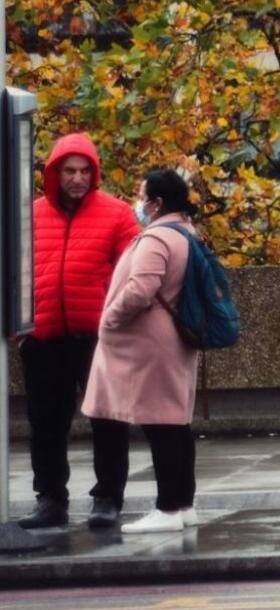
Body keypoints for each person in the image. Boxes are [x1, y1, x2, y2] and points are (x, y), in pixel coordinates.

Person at [13, 134, 139, 530]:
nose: (77, 178)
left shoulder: (117, 214)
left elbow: (134, 271)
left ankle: (107, 497)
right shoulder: (28, 215)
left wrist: (120, 324)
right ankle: (50, 498)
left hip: (101, 336)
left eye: (85, 170)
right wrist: (21, 328)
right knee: (46, 423)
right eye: (69, 170)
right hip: (45, 336)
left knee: (108, 419)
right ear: (54, 173)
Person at [80, 169, 203, 534]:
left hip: (149, 346)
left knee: (160, 424)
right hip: (171, 342)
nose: (139, 200)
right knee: (176, 423)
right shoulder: (185, 232)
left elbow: (140, 289)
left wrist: (110, 319)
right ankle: (183, 504)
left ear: (157, 202)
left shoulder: (157, 238)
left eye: (142, 194)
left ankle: (167, 508)